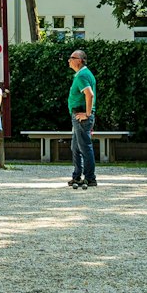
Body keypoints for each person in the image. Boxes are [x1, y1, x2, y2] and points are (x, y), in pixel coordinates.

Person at [66, 49, 98, 189]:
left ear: (79, 60)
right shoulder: (82, 74)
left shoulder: (82, 75)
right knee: (75, 147)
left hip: (81, 117)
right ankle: (77, 176)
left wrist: (88, 114)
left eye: (71, 58)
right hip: (78, 116)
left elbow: (89, 95)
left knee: (84, 147)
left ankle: (90, 178)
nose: (69, 60)